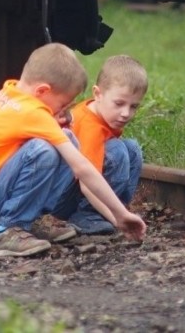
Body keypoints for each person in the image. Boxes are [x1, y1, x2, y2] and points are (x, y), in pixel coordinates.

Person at [0, 42, 147, 257]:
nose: (63, 111)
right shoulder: (33, 113)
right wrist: (120, 215)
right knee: (43, 150)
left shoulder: (12, 92)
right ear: (42, 91)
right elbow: (82, 167)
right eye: (62, 104)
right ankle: (8, 231)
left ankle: (24, 222)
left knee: (66, 139)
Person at [63, 55, 147, 235]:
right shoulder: (90, 127)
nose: (126, 113)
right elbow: (86, 182)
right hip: (64, 195)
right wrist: (116, 219)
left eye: (134, 107)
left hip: (82, 188)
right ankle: (86, 215)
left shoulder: (105, 114)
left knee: (132, 148)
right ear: (97, 94)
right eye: (119, 104)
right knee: (117, 151)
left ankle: (118, 209)